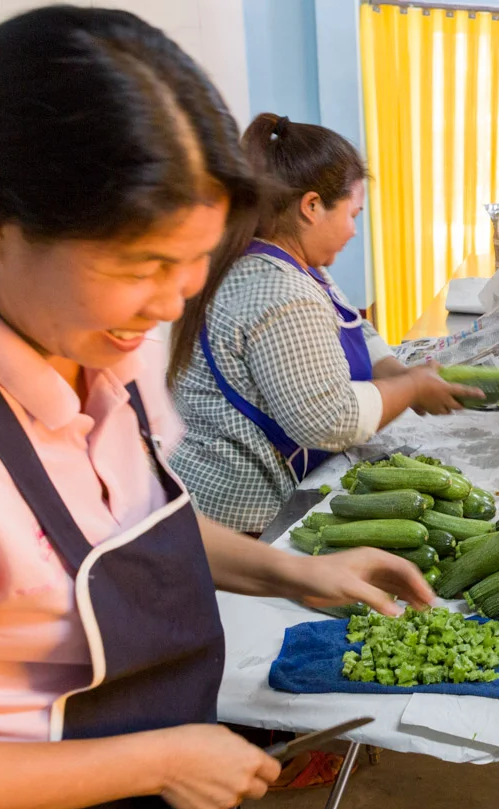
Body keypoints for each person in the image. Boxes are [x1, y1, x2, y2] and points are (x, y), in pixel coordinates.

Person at [0, 9, 433, 809]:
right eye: (142, 267)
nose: (173, 305)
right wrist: (157, 758)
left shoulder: (92, 342)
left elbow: (128, 528)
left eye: (194, 265)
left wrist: (295, 569)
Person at [168, 113, 479, 533]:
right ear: (311, 206)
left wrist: (399, 373)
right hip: (240, 519)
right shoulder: (280, 292)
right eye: (353, 214)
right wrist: (411, 388)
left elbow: (352, 325)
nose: (353, 231)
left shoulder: (289, 262)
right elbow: (328, 421)